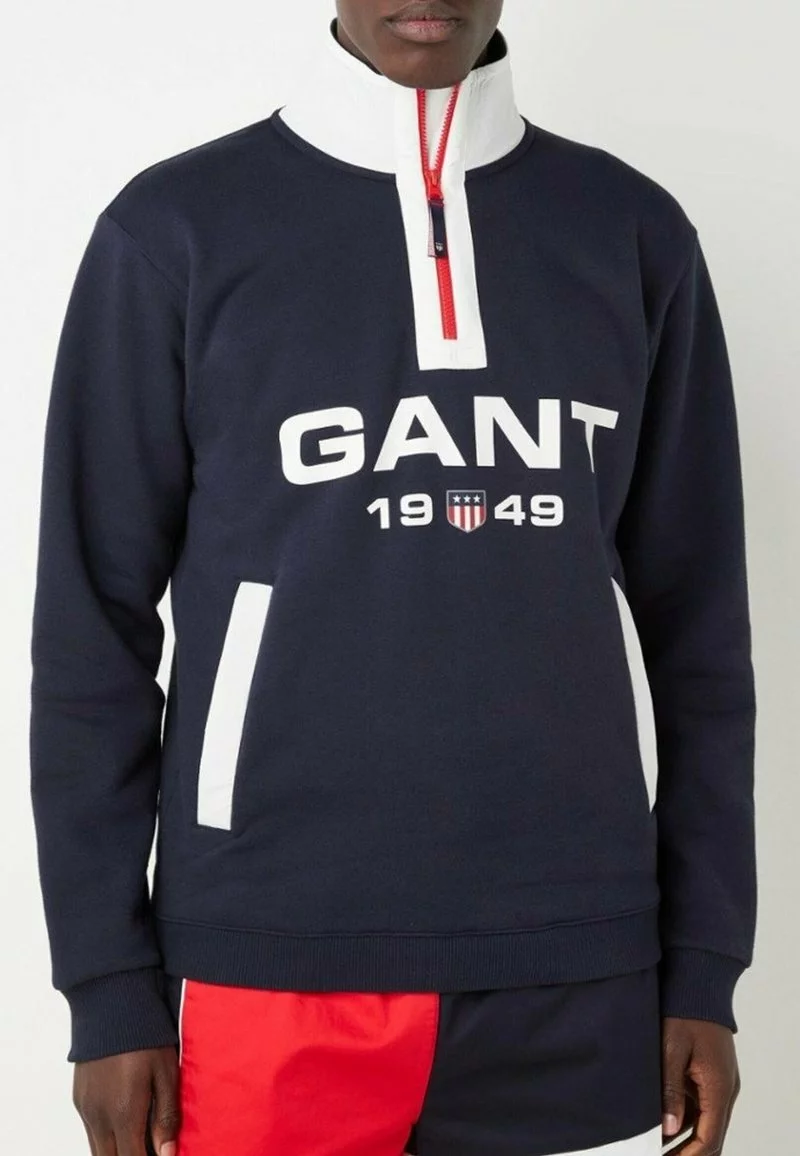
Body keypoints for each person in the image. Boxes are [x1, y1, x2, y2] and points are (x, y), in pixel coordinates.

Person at [28, 2, 757, 1154]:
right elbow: (90, 632)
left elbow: (701, 637)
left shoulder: (628, 231)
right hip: (263, 963)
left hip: (578, 969)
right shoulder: (175, 230)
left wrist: (703, 968)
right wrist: (107, 984)